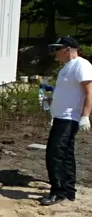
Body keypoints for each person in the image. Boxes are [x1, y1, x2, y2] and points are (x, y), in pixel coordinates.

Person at [42, 36, 92, 206]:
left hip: (69, 118)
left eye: (57, 49)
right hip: (60, 116)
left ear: (67, 49)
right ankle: (69, 190)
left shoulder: (81, 65)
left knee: (55, 154)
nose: (54, 53)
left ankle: (58, 192)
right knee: (66, 154)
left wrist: (85, 116)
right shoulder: (66, 68)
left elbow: (89, 92)